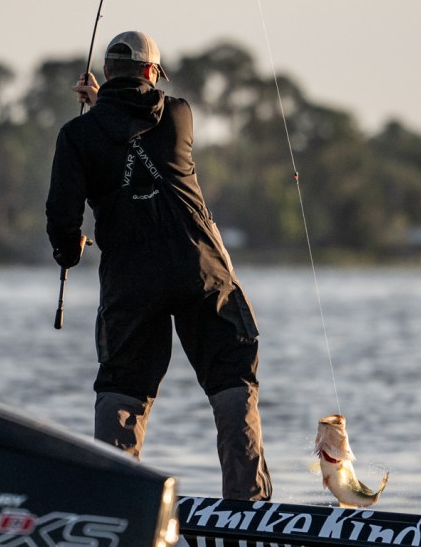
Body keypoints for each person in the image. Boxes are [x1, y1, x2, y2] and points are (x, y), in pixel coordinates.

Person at [46, 30, 271, 501]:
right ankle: (246, 505)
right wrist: (103, 104)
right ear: (152, 72)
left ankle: (115, 503)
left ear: (107, 73)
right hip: (200, 271)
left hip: (131, 282)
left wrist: (70, 253)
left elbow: (62, 219)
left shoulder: (77, 136)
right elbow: (135, 124)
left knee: (123, 387)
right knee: (231, 374)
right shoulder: (179, 115)